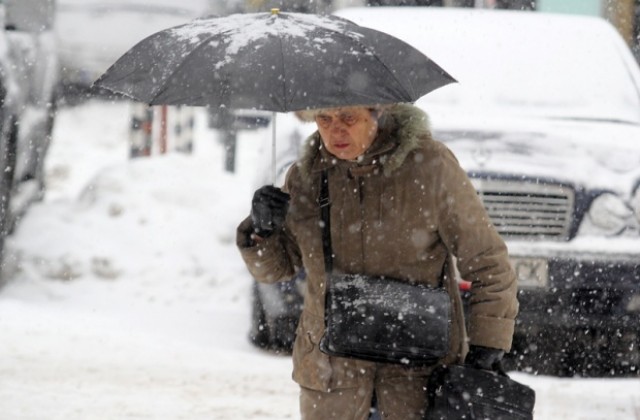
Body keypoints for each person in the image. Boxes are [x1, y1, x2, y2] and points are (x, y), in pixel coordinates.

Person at [236, 103, 519, 419]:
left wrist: (487, 344)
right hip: (331, 381)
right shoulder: (306, 178)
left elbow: (489, 263)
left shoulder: (430, 167)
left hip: (416, 381)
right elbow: (277, 269)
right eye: (324, 119)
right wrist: (262, 230)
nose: (335, 130)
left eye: (348, 117)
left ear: (378, 112)